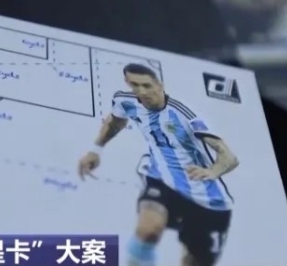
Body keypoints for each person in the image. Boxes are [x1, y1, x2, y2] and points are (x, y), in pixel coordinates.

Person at [78, 63, 240, 266]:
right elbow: (116, 121)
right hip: (161, 179)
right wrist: (96, 149)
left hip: (206, 197)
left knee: (195, 261)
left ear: (160, 85)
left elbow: (229, 157)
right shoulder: (126, 101)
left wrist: (213, 171)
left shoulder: (184, 115)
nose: (141, 91)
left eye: (146, 85)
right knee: (148, 230)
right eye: (134, 85)